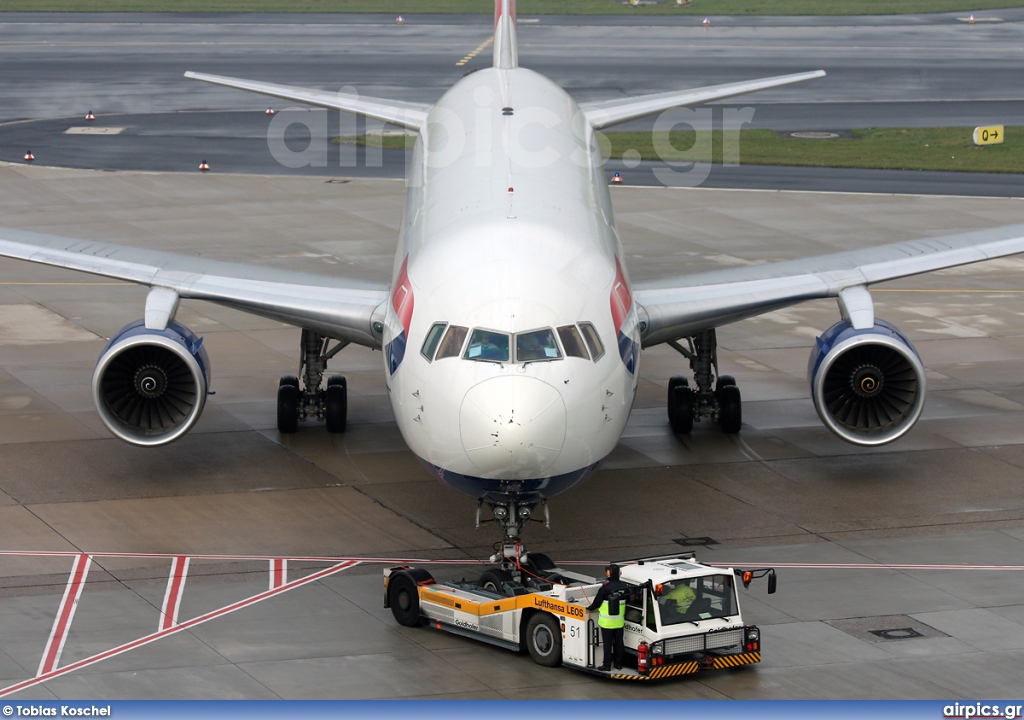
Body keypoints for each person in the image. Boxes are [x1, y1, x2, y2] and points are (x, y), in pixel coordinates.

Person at [586, 564, 629, 671]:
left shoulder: (605, 588)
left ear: (608, 573)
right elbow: (628, 600)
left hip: (607, 622)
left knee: (607, 644)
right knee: (619, 642)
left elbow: (596, 603)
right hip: (619, 621)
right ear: (619, 573)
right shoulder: (625, 586)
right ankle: (619, 664)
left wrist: (589, 608)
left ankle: (607, 665)